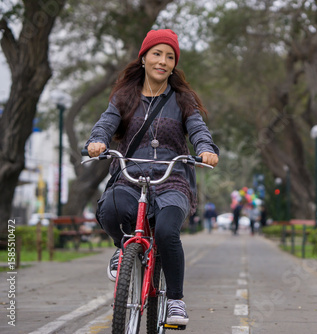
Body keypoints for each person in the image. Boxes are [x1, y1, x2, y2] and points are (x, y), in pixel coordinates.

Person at [85, 29, 219, 326]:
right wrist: (98, 141)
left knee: (167, 231)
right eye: (157, 54)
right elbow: (106, 124)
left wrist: (206, 149)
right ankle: (123, 247)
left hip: (172, 179)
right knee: (111, 207)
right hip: (130, 175)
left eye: (170, 57)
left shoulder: (182, 98)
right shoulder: (124, 96)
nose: (163, 61)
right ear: (143, 57)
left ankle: (175, 301)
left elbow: (198, 129)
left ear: (174, 64)